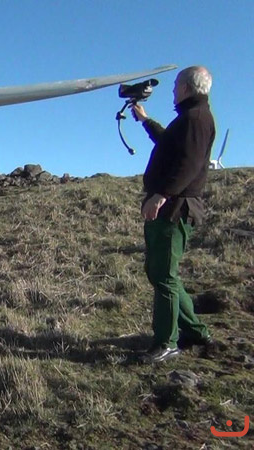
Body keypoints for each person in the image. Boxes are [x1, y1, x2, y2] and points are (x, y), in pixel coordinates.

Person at [131, 66, 216, 363]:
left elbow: (188, 165)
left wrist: (161, 195)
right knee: (162, 273)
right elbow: (169, 145)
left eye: (176, 84)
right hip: (171, 206)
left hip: (174, 209)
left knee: (164, 276)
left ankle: (166, 342)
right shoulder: (191, 118)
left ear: (186, 88)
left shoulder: (196, 119)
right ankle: (195, 331)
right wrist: (145, 121)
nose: (172, 89)